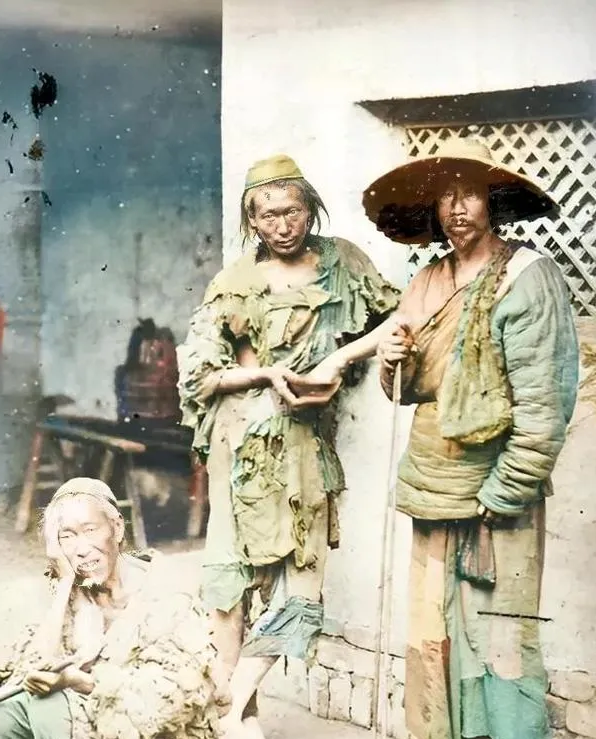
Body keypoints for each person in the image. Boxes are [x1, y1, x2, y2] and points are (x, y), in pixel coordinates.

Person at [177, 154, 403, 738]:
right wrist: (264, 374)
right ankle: (241, 716)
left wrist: (341, 358)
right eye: (269, 215)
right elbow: (199, 374)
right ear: (252, 220)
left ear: (311, 209)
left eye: (293, 211)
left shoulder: (343, 263)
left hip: (305, 440)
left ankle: (229, 705)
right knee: (231, 581)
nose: (283, 226)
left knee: (302, 579)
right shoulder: (235, 282)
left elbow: (403, 316)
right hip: (240, 440)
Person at [363, 137, 580, 739]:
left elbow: (544, 408)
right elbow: (405, 390)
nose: (457, 208)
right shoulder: (427, 281)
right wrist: (390, 359)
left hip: (495, 491)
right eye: (445, 197)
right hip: (433, 484)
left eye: (471, 194)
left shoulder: (527, 278)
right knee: (433, 634)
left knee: (500, 638)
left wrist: (504, 493)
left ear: (495, 202)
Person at [0, 477, 223, 739]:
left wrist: (77, 682)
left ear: (117, 528)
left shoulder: (167, 591)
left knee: (48, 707)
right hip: (95, 721)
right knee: (5, 711)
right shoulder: (70, 591)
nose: (82, 549)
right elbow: (30, 671)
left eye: (90, 530)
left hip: (154, 731)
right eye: (67, 537)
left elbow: (164, 704)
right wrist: (64, 582)